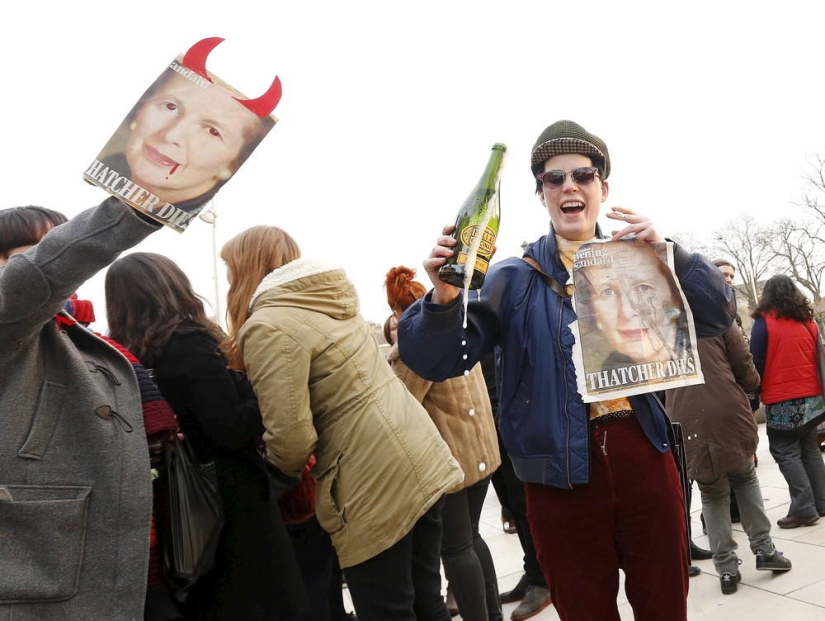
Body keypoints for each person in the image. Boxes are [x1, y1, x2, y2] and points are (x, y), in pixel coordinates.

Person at [397, 120, 736, 621]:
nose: (569, 186)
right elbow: (436, 359)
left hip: (643, 454)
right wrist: (444, 298)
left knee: (665, 604)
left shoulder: (639, 258)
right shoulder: (511, 279)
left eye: (583, 175)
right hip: (558, 479)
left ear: (603, 188)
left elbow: (718, 315)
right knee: (584, 610)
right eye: (554, 179)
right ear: (541, 194)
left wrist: (674, 256)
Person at [220, 226, 464, 621]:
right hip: (419, 452)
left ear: (246, 268)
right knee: (426, 600)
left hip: (370, 480)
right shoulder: (331, 299)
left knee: (386, 611)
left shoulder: (267, 325)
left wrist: (270, 483)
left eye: (231, 270)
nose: (231, 280)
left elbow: (291, 438)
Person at [105, 252, 303, 621]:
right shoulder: (188, 343)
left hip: (183, 506)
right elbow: (230, 427)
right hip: (232, 498)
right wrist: (259, 390)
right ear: (172, 287)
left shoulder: (128, 355)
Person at [0, 198, 163, 619]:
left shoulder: (80, 333)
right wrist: (140, 201)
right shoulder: (9, 321)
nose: (62, 260)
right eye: (40, 250)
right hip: (35, 565)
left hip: (102, 549)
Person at [385, 266, 503, 621]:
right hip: (480, 450)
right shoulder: (456, 328)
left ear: (397, 313)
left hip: (451, 460)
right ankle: (493, 615)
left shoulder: (415, 345)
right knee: (472, 539)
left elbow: (399, 404)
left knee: (456, 548)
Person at [665, 322, 792, 595]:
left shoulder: (656, 324)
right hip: (725, 406)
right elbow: (743, 362)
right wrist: (751, 384)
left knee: (711, 493)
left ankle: (726, 569)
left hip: (684, 414)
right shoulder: (716, 316)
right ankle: (765, 549)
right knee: (745, 479)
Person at [95, 67, 275, 212]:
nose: (171, 135)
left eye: (212, 131)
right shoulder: (110, 165)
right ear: (139, 111)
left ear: (232, 164)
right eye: (170, 106)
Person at [750, 274, 825, 529]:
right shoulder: (809, 321)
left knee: (785, 450)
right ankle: (821, 502)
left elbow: (756, 363)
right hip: (813, 397)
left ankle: (804, 508)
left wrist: (753, 394)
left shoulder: (764, 322)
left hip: (783, 398)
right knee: (809, 447)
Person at [481, 351, 552, 621]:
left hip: (513, 417)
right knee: (510, 504)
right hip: (488, 420)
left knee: (524, 503)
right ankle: (533, 570)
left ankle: (543, 579)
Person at [573, 239, 692, 373]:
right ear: (593, 311)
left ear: (674, 296)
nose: (627, 312)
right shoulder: (608, 373)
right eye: (607, 292)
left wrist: (676, 253)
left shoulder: (703, 349)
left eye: (643, 288)